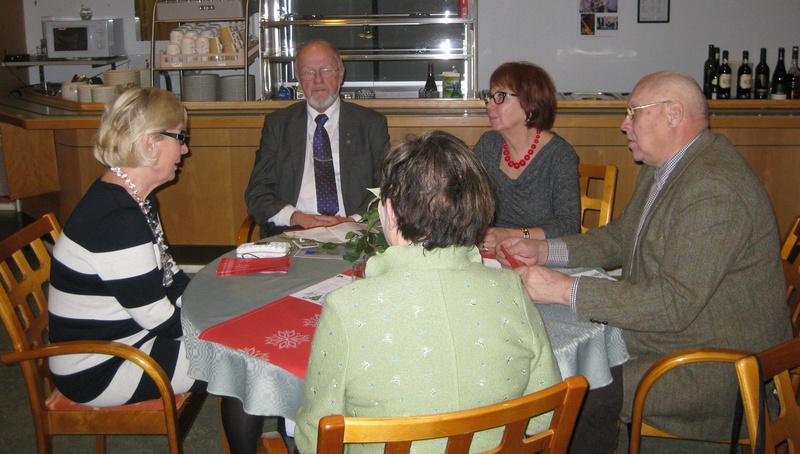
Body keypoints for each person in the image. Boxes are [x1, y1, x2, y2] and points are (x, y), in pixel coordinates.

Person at [499, 71, 792, 452]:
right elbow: (620, 238)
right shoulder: (665, 168)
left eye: (633, 112)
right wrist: (544, 250)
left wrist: (563, 289)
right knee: (571, 365)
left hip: (713, 366)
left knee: (576, 389)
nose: (624, 125)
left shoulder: (713, 189)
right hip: (670, 339)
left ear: (673, 114)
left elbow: (672, 305)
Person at [295, 131, 562, 454]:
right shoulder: (511, 290)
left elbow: (315, 441)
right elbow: (543, 417)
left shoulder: (346, 308)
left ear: (390, 212)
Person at [48, 87, 205, 406]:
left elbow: (170, 276)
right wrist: (218, 327)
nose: (185, 149)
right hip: (101, 366)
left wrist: (209, 306)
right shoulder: (118, 220)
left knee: (241, 351)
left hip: (128, 338)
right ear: (150, 142)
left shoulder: (136, 199)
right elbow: (158, 317)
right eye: (179, 137)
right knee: (242, 361)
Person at [245, 39, 390, 235]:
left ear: (341, 73)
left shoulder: (370, 124)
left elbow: (386, 187)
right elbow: (257, 193)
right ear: (298, 78)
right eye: (309, 72)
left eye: (326, 70)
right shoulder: (278, 125)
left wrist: (351, 221)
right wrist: (297, 217)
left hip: (353, 232)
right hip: (292, 231)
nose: (318, 80)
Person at [475, 62, 580, 250]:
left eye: (501, 96)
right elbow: (466, 199)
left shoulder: (559, 155)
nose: (489, 104)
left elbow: (569, 226)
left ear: (530, 103)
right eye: (490, 96)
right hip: (492, 253)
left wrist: (511, 235)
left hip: (540, 255)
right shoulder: (488, 145)